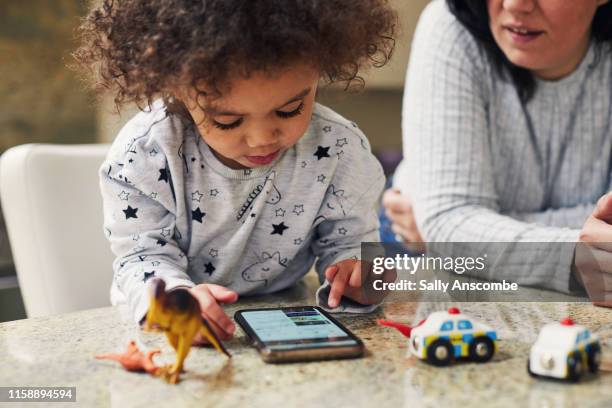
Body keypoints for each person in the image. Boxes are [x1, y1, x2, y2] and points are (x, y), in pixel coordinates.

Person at [73, 0, 397, 342]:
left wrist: (362, 278)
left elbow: (351, 244)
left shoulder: (339, 147)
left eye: (289, 110)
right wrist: (174, 301)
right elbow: (142, 257)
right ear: (175, 86)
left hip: (285, 322)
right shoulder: (145, 154)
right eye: (227, 120)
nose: (261, 140)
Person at [383, 0, 612, 297]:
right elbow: (448, 224)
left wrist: (465, 231)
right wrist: (573, 255)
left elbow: (451, 227)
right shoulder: (451, 26)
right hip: (412, 251)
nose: (515, 5)